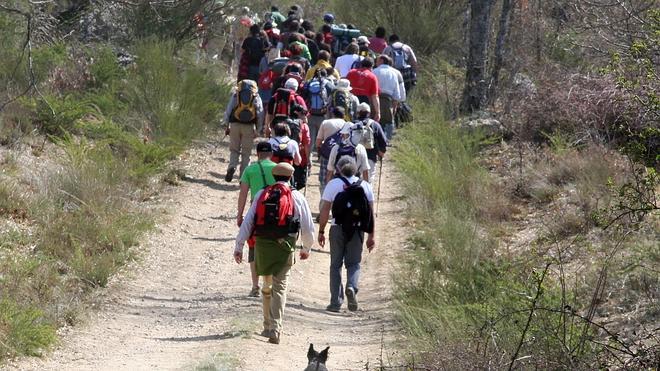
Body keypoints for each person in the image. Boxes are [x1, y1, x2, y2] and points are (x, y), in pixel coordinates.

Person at [234, 162, 315, 344]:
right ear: (290, 177)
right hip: (285, 245)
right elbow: (308, 227)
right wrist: (306, 248)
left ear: (274, 176)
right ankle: (275, 328)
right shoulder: (296, 196)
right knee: (280, 287)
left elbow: (248, 222)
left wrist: (239, 246)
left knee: (266, 285)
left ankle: (266, 325)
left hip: (262, 245)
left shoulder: (263, 193)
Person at [318, 156, 375, 312]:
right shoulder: (365, 186)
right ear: (355, 169)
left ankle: (335, 302)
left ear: (339, 169)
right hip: (357, 230)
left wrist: (321, 230)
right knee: (354, 263)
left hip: (337, 228)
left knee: (335, 265)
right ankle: (351, 286)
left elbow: (324, 210)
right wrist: (371, 236)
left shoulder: (333, 184)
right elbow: (370, 213)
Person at [237, 142, 277, 297]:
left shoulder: (250, 169)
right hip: (276, 214)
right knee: (273, 246)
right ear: (271, 154)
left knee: (254, 248)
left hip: (257, 214)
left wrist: (240, 214)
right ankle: (271, 284)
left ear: (257, 153)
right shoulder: (278, 168)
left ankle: (255, 286)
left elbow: (243, 194)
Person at [223, 80, 264, 182]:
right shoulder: (256, 96)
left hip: (235, 125)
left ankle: (232, 166)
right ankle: (243, 178)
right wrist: (258, 130)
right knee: (246, 153)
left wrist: (226, 125)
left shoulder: (236, 95)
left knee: (234, 149)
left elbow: (228, 110)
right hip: (249, 127)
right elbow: (260, 113)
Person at [373, 54, 405, 140]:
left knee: (375, 120)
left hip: (376, 99)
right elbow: (396, 93)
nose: (375, 62)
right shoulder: (394, 73)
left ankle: (375, 139)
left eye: (377, 60)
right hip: (388, 101)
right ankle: (387, 140)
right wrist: (394, 107)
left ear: (381, 61)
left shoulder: (374, 71)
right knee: (389, 121)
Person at [353, 103, 387, 182]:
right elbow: (383, 141)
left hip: (354, 157)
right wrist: (381, 152)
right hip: (370, 157)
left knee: (354, 181)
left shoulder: (353, 124)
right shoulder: (375, 124)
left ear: (357, 113)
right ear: (369, 113)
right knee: (368, 181)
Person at [302, 68, 334, 154]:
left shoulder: (308, 83)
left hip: (310, 115)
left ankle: (308, 159)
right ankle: (322, 157)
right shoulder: (328, 84)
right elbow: (332, 98)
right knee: (325, 138)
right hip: (323, 115)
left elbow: (303, 97)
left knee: (310, 140)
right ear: (325, 75)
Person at [345, 58, 381, 122]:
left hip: (350, 100)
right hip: (364, 103)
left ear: (361, 64)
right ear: (371, 66)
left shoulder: (351, 72)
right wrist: (378, 112)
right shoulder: (372, 76)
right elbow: (375, 96)